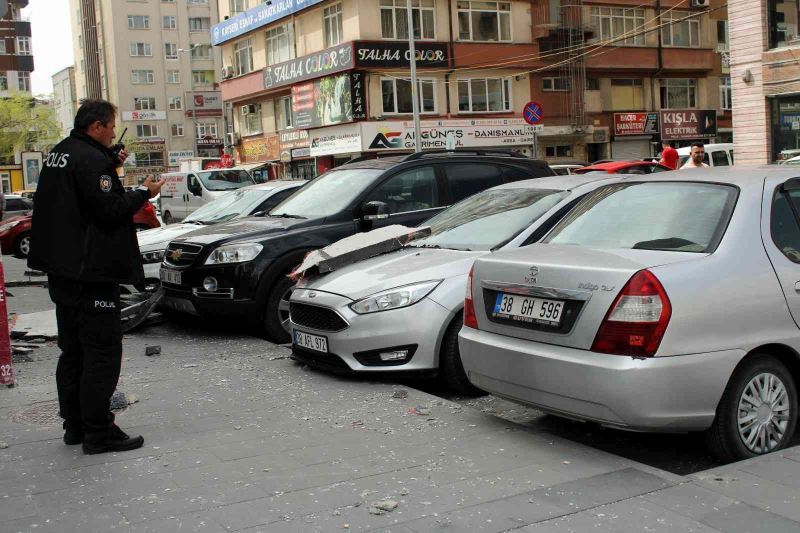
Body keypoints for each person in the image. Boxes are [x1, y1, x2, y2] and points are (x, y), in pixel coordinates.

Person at [28, 99, 165, 455]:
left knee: (72, 352)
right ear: (96, 126)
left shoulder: (62, 152)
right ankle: (99, 431)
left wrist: (110, 166)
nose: (112, 133)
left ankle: (74, 426)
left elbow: (80, 196)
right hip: (91, 274)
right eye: (110, 126)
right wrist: (143, 193)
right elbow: (109, 210)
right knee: (101, 353)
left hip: (63, 272)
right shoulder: (91, 161)